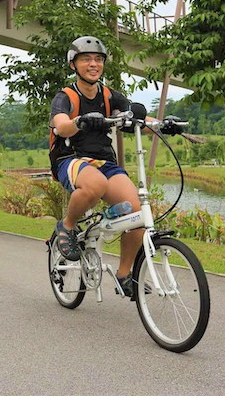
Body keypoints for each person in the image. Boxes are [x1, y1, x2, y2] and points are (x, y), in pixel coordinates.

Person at [49, 36, 180, 298]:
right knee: (95, 185)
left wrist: (163, 123)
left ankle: (124, 275)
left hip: (104, 162)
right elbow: (61, 125)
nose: (93, 64)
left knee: (137, 211)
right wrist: (82, 120)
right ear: (74, 64)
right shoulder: (66, 96)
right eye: (86, 59)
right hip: (71, 159)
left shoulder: (110, 95)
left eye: (98, 59)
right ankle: (67, 225)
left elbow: (135, 115)